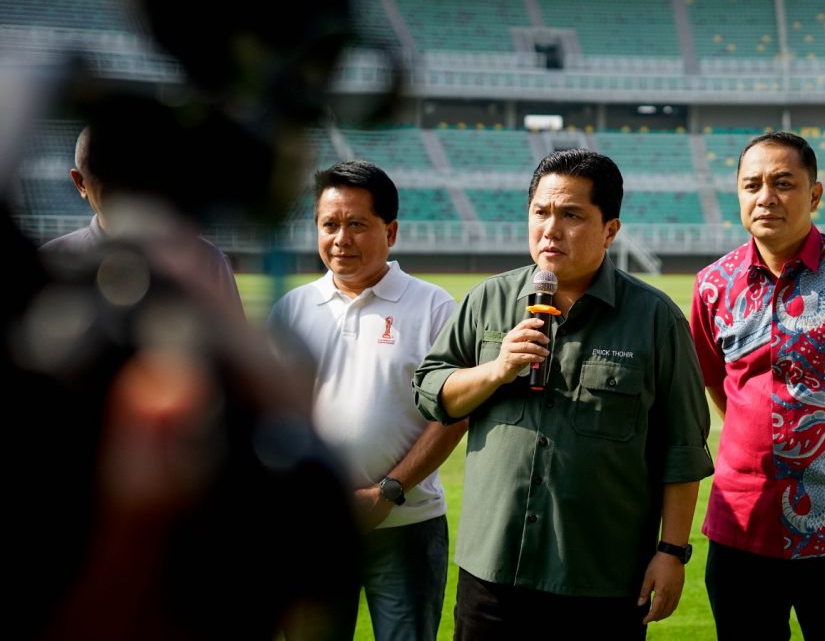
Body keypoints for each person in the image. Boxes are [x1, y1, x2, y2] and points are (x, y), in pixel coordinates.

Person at [413, 148, 713, 640]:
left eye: (572, 215)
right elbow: (430, 392)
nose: (551, 229)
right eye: (541, 212)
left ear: (610, 229)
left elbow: (682, 448)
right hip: (492, 574)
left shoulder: (655, 319)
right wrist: (497, 369)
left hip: (602, 579)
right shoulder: (487, 300)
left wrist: (671, 551)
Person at [690, 131, 825, 641]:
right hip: (740, 523)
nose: (766, 196)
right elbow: (717, 383)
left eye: (783, 183)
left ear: (815, 194)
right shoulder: (712, 284)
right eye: (752, 185)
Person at [268, 160, 467, 641]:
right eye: (329, 225)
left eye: (357, 224)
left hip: (406, 524)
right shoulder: (292, 309)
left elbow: (455, 413)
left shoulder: (433, 306)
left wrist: (388, 491)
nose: (341, 239)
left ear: (391, 231)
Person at [40, 125, 245, 320]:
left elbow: (237, 353)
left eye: (134, 167)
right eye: (107, 170)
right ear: (80, 183)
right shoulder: (50, 264)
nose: (123, 181)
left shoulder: (206, 262)